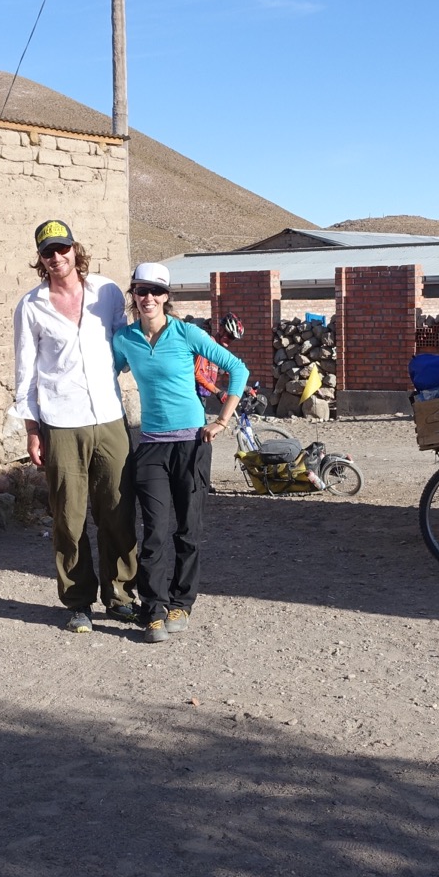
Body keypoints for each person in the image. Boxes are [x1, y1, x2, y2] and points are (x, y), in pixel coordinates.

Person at [11, 220, 139, 634]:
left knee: (117, 510)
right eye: (48, 252)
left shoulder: (107, 292)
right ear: (40, 258)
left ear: (74, 250)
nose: (56, 257)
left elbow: (125, 345)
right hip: (61, 422)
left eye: (62, 248)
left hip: (109, 416)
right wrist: (32, 429)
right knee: (68, 517)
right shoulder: (31, 306)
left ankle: (120, 596)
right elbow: (25, 372)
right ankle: (78, 601)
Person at [110, 262, 248, 643]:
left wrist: (222, 421)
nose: (148, 297)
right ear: (134, 295)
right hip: (152, 446)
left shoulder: (187, 333)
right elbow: (105, 377)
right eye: (141, 290)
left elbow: (237, 369)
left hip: (192, 444)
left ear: (166, 296)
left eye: (156, 291)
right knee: (154, 532)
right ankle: (153, 610)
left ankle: (181, 603)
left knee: (188, 530)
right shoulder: (125, 340)